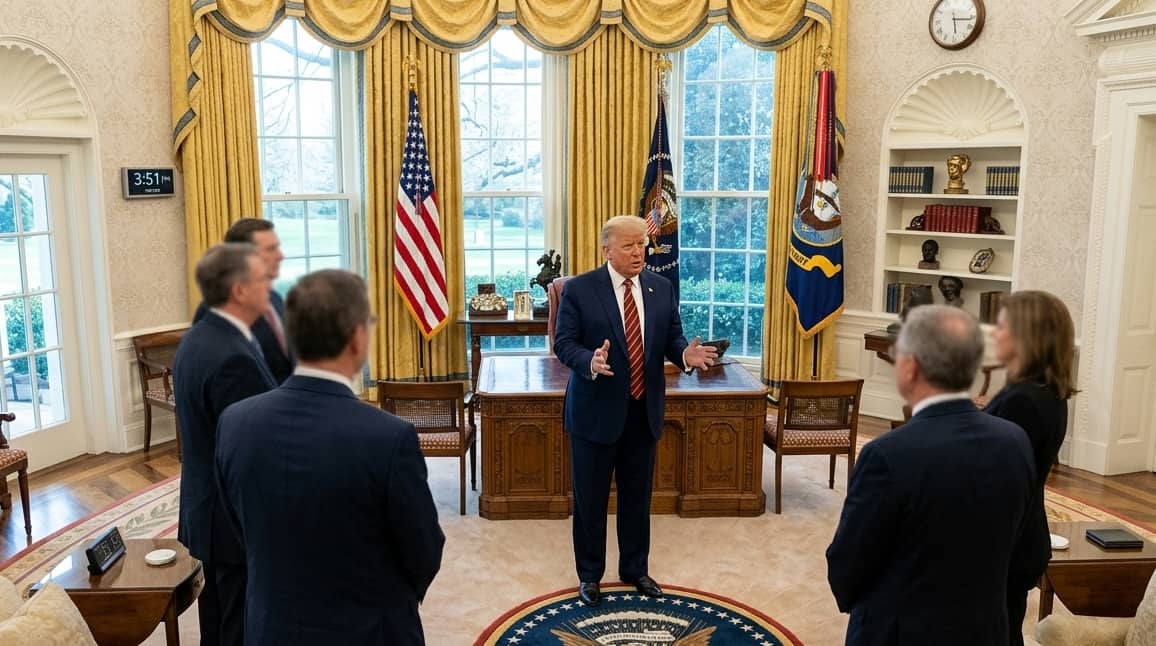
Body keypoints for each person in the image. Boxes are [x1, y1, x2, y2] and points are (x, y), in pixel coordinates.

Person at [215, 270, 444, 645]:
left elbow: (239, 532)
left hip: (270, 630)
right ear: (357, 337)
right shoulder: (389, 437)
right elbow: (424, 552)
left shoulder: (234, 423)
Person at [826, 305, 1036, 646]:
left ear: (910, 367)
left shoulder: (886, 455)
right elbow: (1015, 542)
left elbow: (848, 565)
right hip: (986, 631)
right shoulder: (1016, 441)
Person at [553, 215, 717, 607]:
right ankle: (590, 576)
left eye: (642, 244)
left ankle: (635, 569)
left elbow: (672, 338)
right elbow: (564, 343)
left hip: (643, 413)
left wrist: (685, 355)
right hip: (594, 413)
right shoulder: (579, 289)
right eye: (628, 245)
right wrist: (589, 361)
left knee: (637, 499)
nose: (638, 252)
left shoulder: (661, 288)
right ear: (606, 249)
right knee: (590, 502)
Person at [173, 243, 278, 646]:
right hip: (233, 520)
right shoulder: (233, 357)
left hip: (205, 509)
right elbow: (254, 449)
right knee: (239, 627)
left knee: (215, 623)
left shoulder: (198, 338)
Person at [984, 291, 1077, 646]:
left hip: (1004, 542)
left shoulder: (1023, 400)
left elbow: (992, 476)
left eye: (1002, 326)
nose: (994, 333)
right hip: (1021, 536)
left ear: (1028, 335)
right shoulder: (1044, 392)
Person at [193, 217, 293, 384]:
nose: (280, 256)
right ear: (241, 255)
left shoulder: (274, 298)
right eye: (271, 249)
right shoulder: (215, 310)